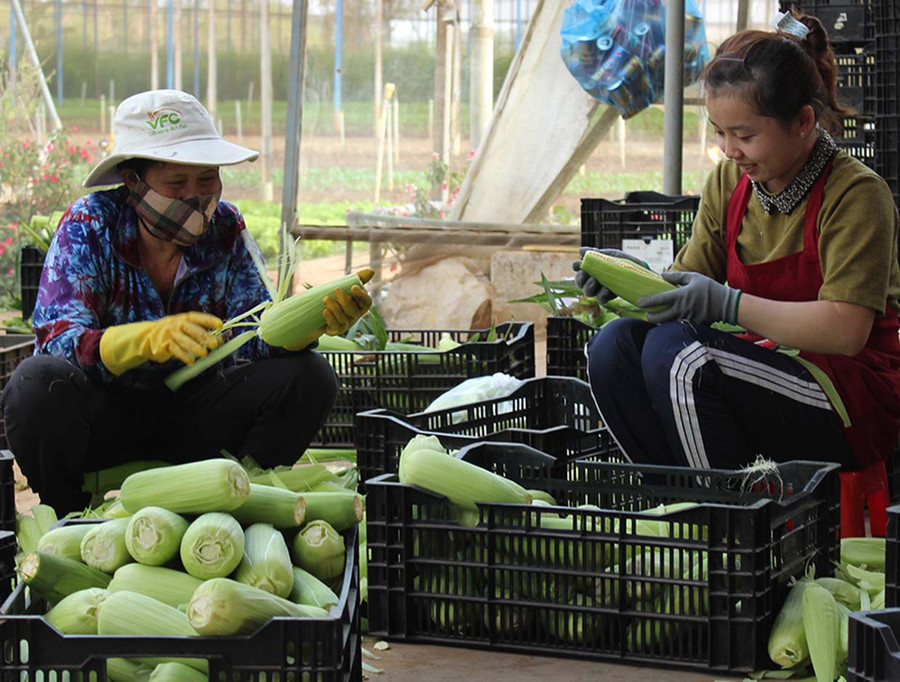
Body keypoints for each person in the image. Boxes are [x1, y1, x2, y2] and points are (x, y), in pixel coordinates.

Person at [1, 89, 373, 514]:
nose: (195, 196)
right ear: (132, 180)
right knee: (35, 385)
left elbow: (252, 335)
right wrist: (141, 340)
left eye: (206, 179)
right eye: (176, 182)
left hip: (196, 414)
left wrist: (311, 325)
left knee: (310, 377)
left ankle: (237, 496)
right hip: (106, 416)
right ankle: (68, 516)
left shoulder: (226, 228)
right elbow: (57, 339)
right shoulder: (90, 224)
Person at [574, 13, 900, 473]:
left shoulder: (857, 194)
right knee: (614, 347)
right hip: (761, 364)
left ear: (803, 121)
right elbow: (688, 289)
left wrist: (728, 305)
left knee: (683, 358)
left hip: (848, 396)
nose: (730, 150)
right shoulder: (730, 182)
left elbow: (846, 331)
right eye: (720, 133)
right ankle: (676, 508)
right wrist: (628, 281)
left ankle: (722, 525)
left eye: (745, 135)